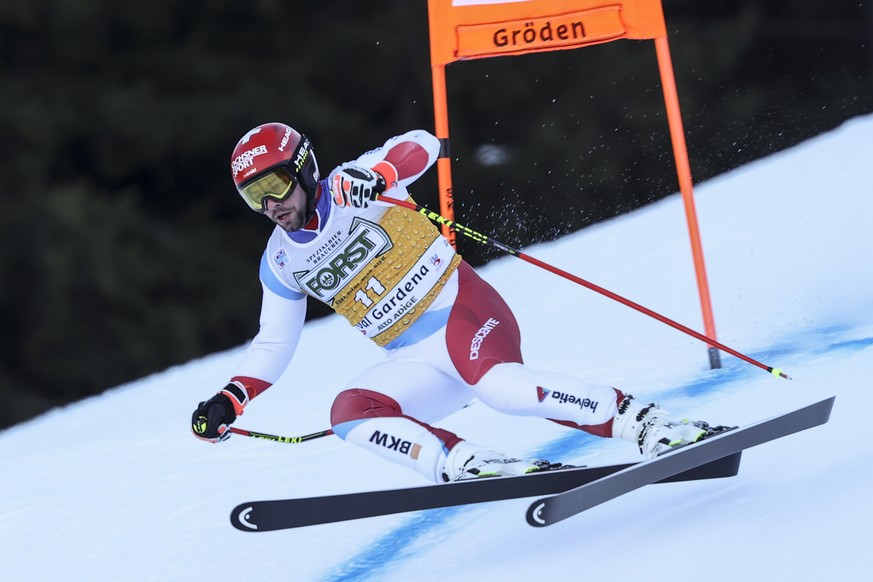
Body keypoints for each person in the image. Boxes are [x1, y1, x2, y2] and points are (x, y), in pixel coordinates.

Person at [191, 122, 725, 483]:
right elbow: (274, 342)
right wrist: (230, 399)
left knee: (501, 389)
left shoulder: (356, 180)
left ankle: (649, 423)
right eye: (253, 196)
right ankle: (467, 462)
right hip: (414, 359)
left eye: (277, 185)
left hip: (466, 311)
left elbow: (425, 143)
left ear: (305, 170)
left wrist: (381, 176)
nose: (270, 205)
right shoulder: (280, 260)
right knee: (350, 414)